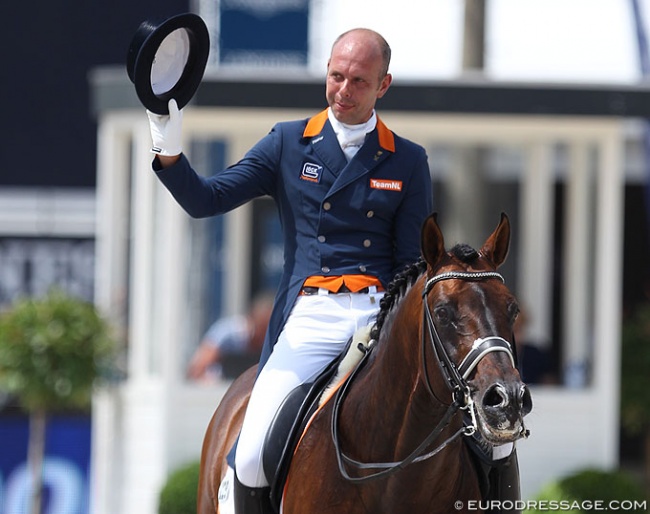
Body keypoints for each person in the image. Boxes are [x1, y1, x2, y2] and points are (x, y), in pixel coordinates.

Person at [146, 28, 433, 514]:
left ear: (384, 85)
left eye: (359, 82)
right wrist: (168, 149)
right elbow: (206, 199)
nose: (344, 91)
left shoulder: (408, 159)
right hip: (310, 318)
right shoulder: (288, 142)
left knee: (473, 425)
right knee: (254, 454)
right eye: (336, 76)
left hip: (379, 318)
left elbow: (412, 264)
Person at [186, 293, 274, 382]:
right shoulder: (228, 333)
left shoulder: (272, 343)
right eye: (262, 328)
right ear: (252, 319)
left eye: (269, 330)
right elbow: (197, 368)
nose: (264, 335)